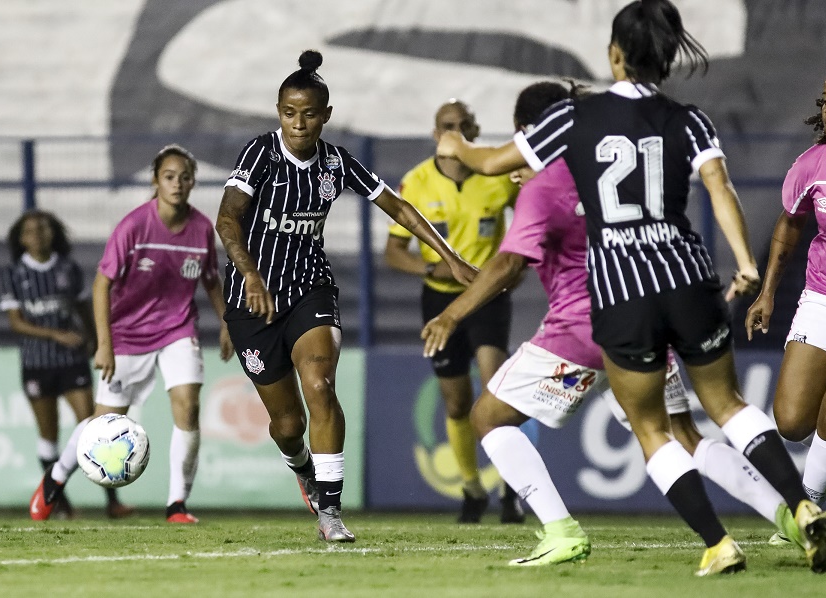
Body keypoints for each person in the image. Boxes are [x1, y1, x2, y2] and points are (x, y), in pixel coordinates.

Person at [434, 0, 826, 576]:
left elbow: (497, 180)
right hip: (688, 279)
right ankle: (796, 509)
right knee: (717, 413)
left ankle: (687, 540)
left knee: (628, 430)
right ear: (670, 55)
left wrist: (457, 148)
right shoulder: (688, 117)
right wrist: (743, 260)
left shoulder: (571, 126)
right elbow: (719, 185)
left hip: (614, 302)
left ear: (614, 54)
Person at [214, 50, 476, 543]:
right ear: (278, 111)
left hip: (311, 289)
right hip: (253, 301)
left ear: (326, 115)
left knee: (320, 385)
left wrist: (452, 255)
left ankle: (330, 515)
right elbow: (228, 219)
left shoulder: (335, 162)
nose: (298, 123)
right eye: (289, 113)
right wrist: (248, 274)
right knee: (287, 425)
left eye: (309, 113)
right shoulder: (260, 154)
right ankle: (304, 469)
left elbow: (399, 208)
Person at [29, 144, 234, 523]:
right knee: (102, 422)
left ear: (193, 182)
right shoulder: (134, 226)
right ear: (156, 181)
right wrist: (104, 346)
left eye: (185, 177)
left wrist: (226, 322)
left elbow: (210, 280)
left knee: (188, 405)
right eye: (169, 177)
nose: (177, 184)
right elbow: (101, 285)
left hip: (177, 328)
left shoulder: (202, 228)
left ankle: (177, 505)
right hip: (127, 336)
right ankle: (55, 479)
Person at [384, 99, 522, 524]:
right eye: (448, 126)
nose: (456, 133)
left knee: (495, 386)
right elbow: (393, 251)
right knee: (457, 402)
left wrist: (516, 265)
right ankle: (472, 487)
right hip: (439, 297)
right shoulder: (416, 183)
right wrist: (430, 266)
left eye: (463, 126)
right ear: (435, 134)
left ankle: (512, 489)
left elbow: (532, 218)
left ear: (475, 131)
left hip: (487, 297)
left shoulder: (498, 176)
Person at [746, 64, 826, 512]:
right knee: (793, 422)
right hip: (824, 295)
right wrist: (768, 292)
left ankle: (806, 509)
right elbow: (791, 224)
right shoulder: (813, 164)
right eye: (825, 100)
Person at [1, 210, 131, 519]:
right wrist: (55, 335)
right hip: (37, 362)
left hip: (72, 361)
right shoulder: (14, 273)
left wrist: (96, 339)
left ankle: (112, 501)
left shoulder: (67, 268)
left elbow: (84, 307)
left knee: (91, 425)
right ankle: (60, 502)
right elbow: (16, 323)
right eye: (31, 231)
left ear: (53, 233)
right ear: (22, 239)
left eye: (44, 229)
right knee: (48, 435)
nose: (39, 235)